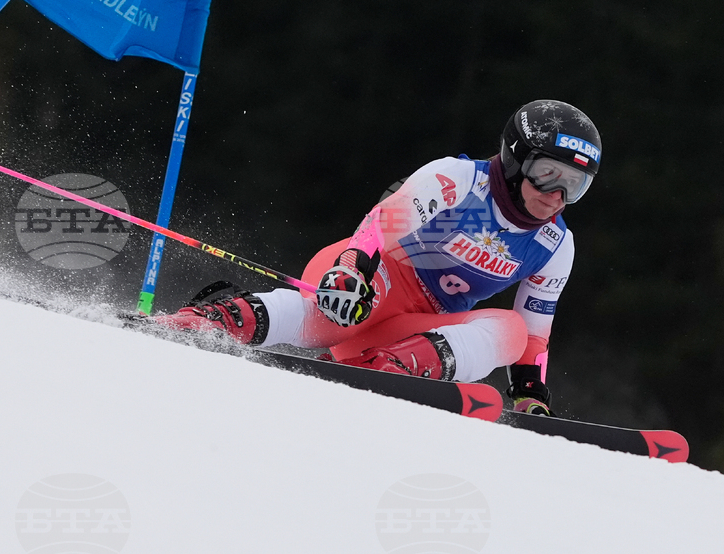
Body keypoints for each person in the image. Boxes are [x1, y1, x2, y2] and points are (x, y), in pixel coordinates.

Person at [151, 100, 601, 416]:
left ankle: (388, 369)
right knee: (339, 316)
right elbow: (382, 226)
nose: (556, 195)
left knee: (512, 330)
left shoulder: (554, 245)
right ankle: (209, 321)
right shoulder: (460, 181)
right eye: (548, 174)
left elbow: (535, 336)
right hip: (371, 280)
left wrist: (529, 394)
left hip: (408, 333)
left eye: (574, 185)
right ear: (516, 159)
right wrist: (351, 270)